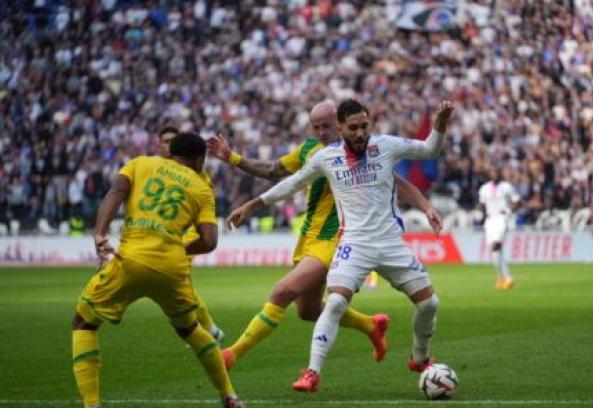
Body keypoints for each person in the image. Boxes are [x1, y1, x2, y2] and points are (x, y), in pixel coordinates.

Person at [227, 98, 453, 393]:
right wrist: (253, 205)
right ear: (341, 127)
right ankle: (311, 372)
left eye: (364, 126)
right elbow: (291, 183)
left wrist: (441, 123)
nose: (360, 133)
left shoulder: (385, 146)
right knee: (334, 303)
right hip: (353, 244)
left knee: (430, 303)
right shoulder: (326, 158)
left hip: (389, 243)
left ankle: (419, 358)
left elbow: (429, 149)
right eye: (353, 128)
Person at [68, 133, 246, 408]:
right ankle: (230, 398)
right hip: (172, 269)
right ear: (200, 160)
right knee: (191, 330)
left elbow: (116, 191)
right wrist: (175, 247)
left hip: (131, 261)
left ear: (169, 153)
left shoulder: (140, 164)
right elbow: (209, 241)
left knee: (83, 322)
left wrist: (100, 234)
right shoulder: (202, 188)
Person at [157, 126, 225, 343]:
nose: (167, 145)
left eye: (171, 141)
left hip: (187, 234)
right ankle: (208, 331)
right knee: (180, 284)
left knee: (178, 281)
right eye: (164, 141)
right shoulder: (156, 168)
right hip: (165, 234)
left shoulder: (198, 177)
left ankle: (200, 331)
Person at [478, 168, 520, 289]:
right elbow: (482, 203)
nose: (494, 173)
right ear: (489, 173)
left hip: (502, 219)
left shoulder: (506, 186)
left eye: (496, 171)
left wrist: (510, 210)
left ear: (500, 173)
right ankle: (503, 278)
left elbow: (516, 200)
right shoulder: (484, 188)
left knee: (496, 245)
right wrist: (481, 214)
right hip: (490, 220)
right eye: (492, 171)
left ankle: (507, 277)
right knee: (494, 251)